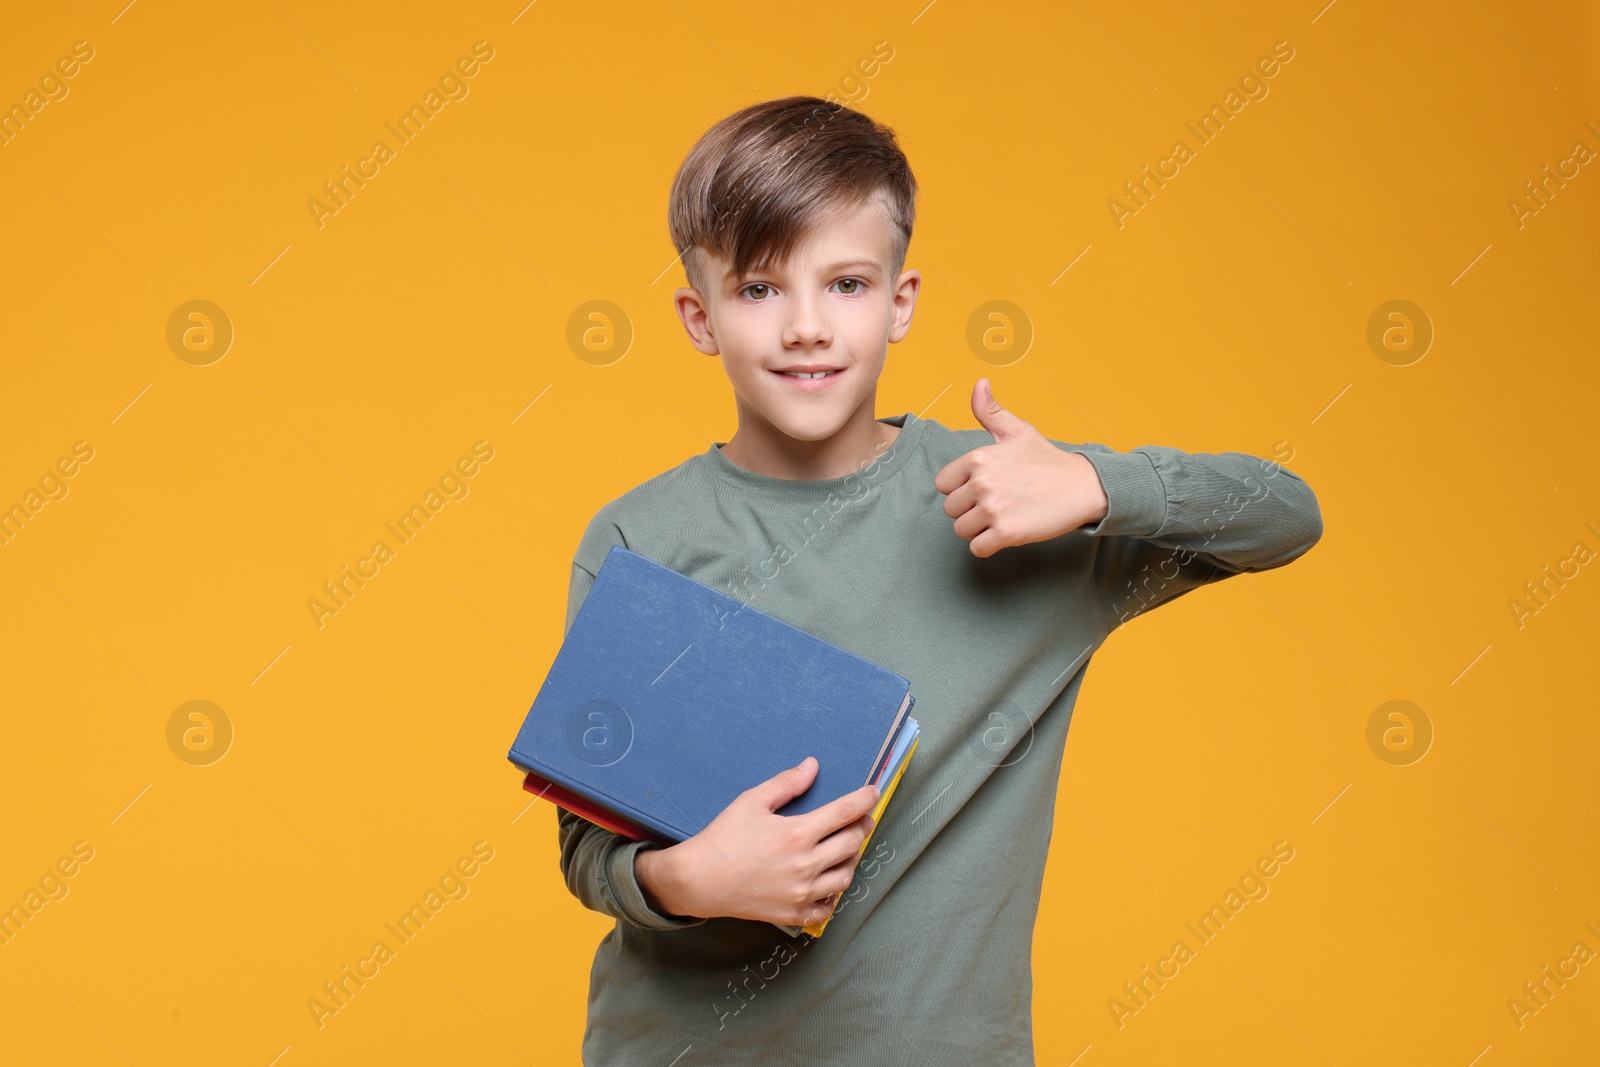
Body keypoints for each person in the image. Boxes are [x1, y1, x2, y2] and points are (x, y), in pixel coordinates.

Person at [554, 94, 1323, 1066]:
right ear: (697, 316)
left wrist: (1097, 483)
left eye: (844, 283)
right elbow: (591, 851)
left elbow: (1285, 513)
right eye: (756, 290)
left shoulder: (1012, 503)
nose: (803, 327)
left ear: (900, 300)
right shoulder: (640, 537)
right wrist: (695, 878)